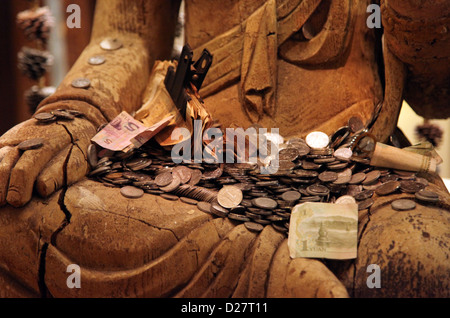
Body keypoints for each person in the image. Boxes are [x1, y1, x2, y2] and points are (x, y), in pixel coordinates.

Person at [0, 0, 448, 297]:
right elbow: (126, 36)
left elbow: (434, 97)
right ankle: (267, 268)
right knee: (9, 215)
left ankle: (253, 263)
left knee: (423, 265)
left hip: (355, 166)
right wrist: (74, 113)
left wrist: (421, 14)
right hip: (196, 164)